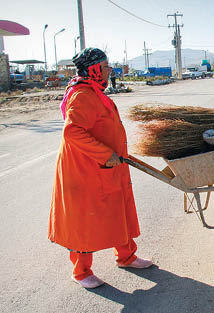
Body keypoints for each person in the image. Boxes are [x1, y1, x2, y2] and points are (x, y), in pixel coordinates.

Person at [49, 48, 152, 289]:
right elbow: (72, 132)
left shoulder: (95, 92)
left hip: (108, 166)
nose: (109, 71)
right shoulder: (82, 95)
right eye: (106, 67)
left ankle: (126, 256)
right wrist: (106, 154)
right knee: (85, 219)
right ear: (95, 69)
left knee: (119, 209)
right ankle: (81, 271)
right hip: (85, 171)